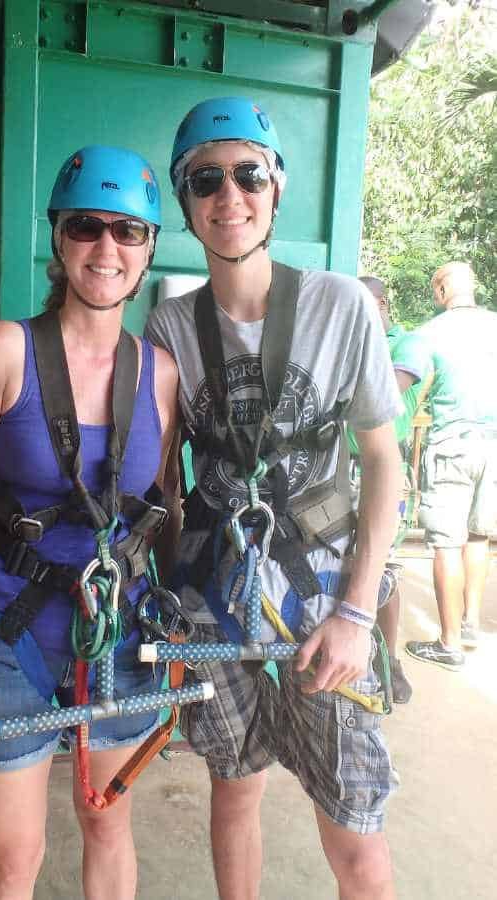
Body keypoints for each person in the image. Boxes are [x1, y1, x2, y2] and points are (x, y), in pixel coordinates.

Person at [146, 97, 403, 900]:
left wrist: (358, 612)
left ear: (277, 185)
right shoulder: (170, 328)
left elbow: (383, 463)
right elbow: (158, 483)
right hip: (213, 597)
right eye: (206, 180)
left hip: (321, 598)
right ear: (186, 203)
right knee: (236, 785)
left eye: (249, 174)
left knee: (353, 819)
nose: (230, 197)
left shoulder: (340, 306)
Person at [0, 145, 179, 900]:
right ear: (59, 239)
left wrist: (179, 629)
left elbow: (162, 514)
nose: (107, 249)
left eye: (128, 232)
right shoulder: (6, 350)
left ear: (150, 248)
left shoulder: (161, 372)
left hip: (120, 631)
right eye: (86, 228)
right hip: (8, 631)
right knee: (15, 863)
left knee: (107, 823)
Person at [406, 261, 497, 671]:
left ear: (441, 290)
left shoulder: (430, 333)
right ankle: (471, 623)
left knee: (445, 543)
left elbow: (407, 388)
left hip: (452, 447)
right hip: (494, 447)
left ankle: (450, 644)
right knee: (478, 538)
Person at [348, 275, 432, 703]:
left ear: (382, 305)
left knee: (380, 566)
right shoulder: (351, 342)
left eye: (365, 307)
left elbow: (384, 394)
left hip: (384, 469)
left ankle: (391, 660)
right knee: (348, 562)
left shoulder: (409, 344)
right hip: (339, 469)